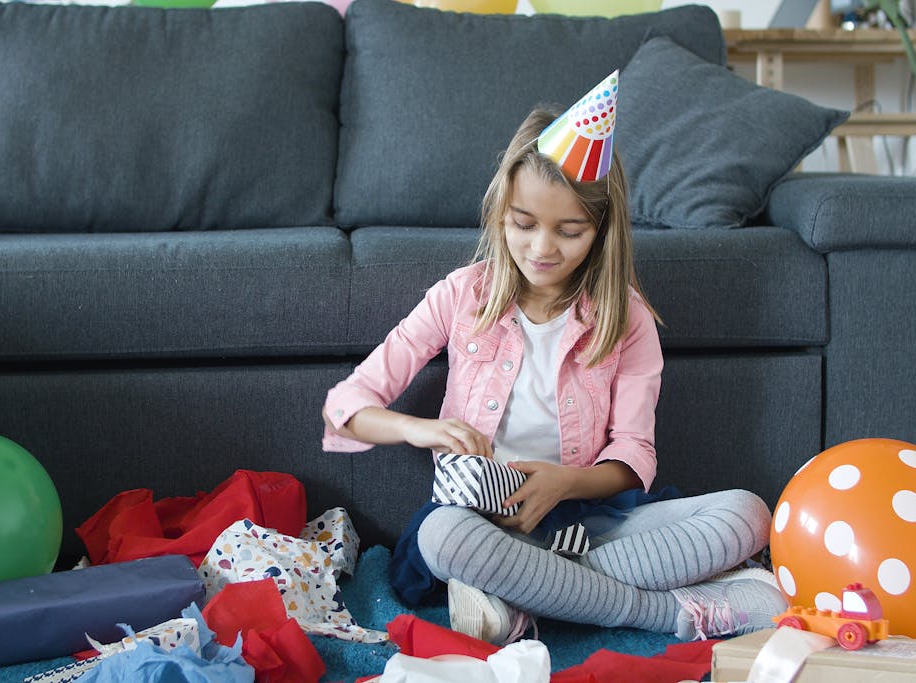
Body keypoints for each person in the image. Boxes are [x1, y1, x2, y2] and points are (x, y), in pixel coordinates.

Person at [322, 71, 786, 645]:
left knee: (748, 515)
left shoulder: (628, 318)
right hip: (483, 525)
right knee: (443, 538)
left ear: (601, 231)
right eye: (524, 224)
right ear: (500, 215)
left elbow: (634, 455)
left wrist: (564, 483)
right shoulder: (460, 295)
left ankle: (531, 596)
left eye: (568, 231)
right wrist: (422, 430)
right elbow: (346, 406)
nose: (542, 249)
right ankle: (669, 616)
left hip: (590, 522)